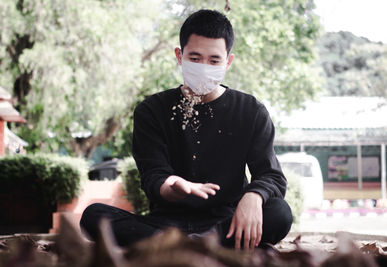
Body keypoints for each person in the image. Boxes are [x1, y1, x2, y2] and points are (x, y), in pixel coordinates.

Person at [80, 9, 292, 250]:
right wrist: (172, 185)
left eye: (214, 60)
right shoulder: (152, 110)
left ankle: (180, 247)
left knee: (280, 213)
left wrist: (254, 196)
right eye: (195, 58)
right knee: (93, 216)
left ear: (228, 61)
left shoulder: (250, 111)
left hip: (226, 222)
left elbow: (271, 175)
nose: (204, 66)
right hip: (165, 224)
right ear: (179, 56)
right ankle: (205, 246)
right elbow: (153, 175)